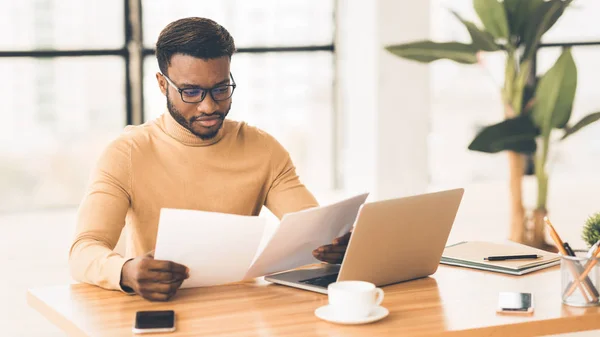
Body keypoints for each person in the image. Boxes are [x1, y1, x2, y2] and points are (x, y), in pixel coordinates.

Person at [68, 17, 350, 302]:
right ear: (162, 84)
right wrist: (125, 271)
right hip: (163, 305)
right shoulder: (127, 153)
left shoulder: (262, 149)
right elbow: (83, 249)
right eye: (191, 92)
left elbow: (314, 230)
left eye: (220, 89)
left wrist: (338, 243)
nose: (209, 106)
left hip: (240, 304)